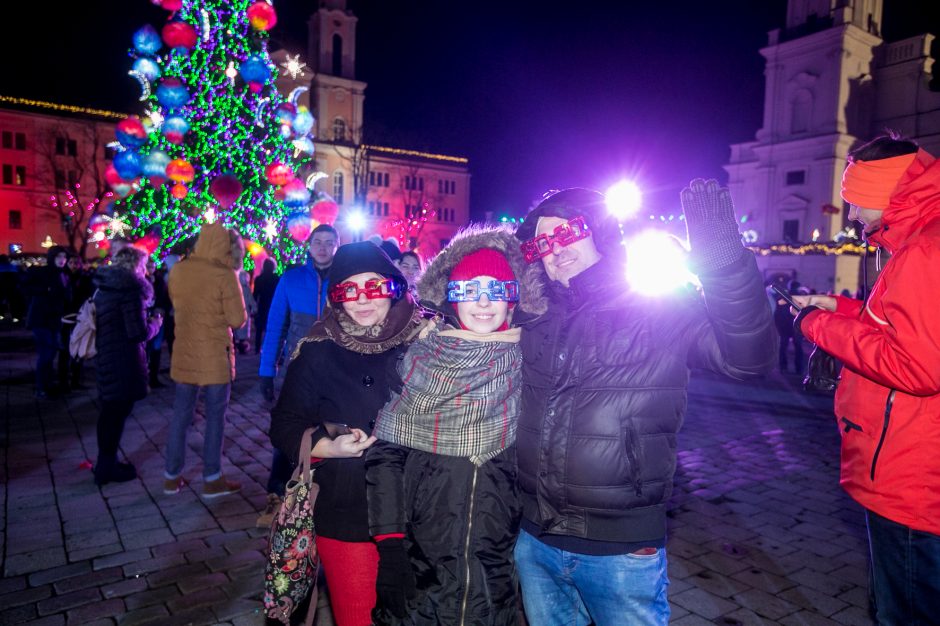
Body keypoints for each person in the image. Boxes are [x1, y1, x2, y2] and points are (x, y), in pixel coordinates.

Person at [511, 182, 776, 625]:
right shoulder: (534, 317)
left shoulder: (656, 307)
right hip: (536, 539)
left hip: (619, 547)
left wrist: (722, 257)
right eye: (542, 242)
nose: (554, 249)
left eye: (566, 233)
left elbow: (748, 361)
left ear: (597, 231)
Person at [790, 134, 940, 624]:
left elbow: (917, 365)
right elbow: (910, 328)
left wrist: (818, 326)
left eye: (856, 204)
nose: (852, 217)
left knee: (905, 612)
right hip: (914, 466)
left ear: (887, 193)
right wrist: (842, 308)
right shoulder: (923, 239)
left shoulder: (924, 250)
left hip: (912, 476)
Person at [365, 225, 546, 625]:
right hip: (419, 567)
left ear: (513, 301)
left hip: (494, 575)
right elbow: (385, 459)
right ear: (452, 299)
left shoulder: (529, 363)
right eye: (470, 291)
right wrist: (391, 546)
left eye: (496, 291)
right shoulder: (419, 359)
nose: (484, 303)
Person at [269, 241, 430, 626]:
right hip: (348, 514)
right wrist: (330, 447)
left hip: (421, 512)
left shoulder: (427, 339)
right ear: (335, 296)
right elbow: (284, 424)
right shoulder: (317, 348)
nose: (362, 300)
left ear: (394, 287)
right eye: (348, 290)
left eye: (373, 287)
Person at [256, 225, 339, 526]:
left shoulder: (342, 281)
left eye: (329, 243)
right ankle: (276, 495)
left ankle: (321, 497)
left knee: (328, 433)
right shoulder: (291, 279)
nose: (323, 248)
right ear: (309, 245)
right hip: (295, 372)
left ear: (337, 246)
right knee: (287, 434)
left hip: (332, 374)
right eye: (318, 242)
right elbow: (275, 326)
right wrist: (267, 371)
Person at [164, 223, 247, 497]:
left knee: (180, 416)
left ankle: (170, 477)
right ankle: (212, 478)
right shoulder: (224, 274)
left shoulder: (179, 269)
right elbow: (237, 319)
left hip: (184, 352)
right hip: (214, 356)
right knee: (215, 418)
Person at [91, 246, 162, 485]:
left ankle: (105, 463)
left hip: (106, 356)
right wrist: (155, 323)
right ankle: (106, 467)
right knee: (116, 414)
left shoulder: (105, 287)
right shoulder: (129, 291)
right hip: (122, 359)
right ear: (134, 266)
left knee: (109, 413)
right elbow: (137, 332)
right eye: (143, 265)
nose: (145, 270)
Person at [23, 246, 70, 397]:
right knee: (46, 353)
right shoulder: (41, 271)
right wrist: (44, 290)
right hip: (41, 319)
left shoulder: (63, 274)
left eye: (64, 257)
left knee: (51, 353)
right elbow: (24, 287)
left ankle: (48, 385)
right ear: (52, 257)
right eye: (58, 257)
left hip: (55, 320)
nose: (62, 260)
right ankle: (41, 387)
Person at [773, 279, 804, 375]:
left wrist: (777, 326)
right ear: (798, 287)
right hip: (797, 326)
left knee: (783, 347)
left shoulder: (782, 296)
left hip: (784, 326)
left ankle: (783, 367)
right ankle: (799, 369)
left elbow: (777, 313)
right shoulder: (802, 297)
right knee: (798, 348)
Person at [252, 257, 280, 355]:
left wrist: (253, 306)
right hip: (273, 305)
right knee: (272, 328)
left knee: (259, 329)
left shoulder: (259, 279)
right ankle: (271, 348)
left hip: (262, 304)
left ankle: (257, 347)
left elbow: (255, 294)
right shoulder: (276, 278)